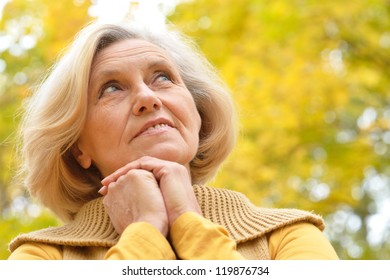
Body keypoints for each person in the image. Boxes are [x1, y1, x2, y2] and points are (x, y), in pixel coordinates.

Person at [8, 20, 338, 260]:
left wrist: (186, 221)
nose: (147, 98)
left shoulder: (289, 235)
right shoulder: (41, 255)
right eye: (112, 88)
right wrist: (147, 229)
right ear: (77, 147)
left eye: (162, 77)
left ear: (199, 114)